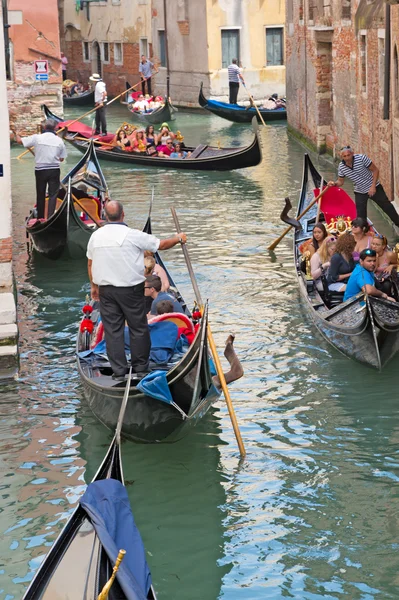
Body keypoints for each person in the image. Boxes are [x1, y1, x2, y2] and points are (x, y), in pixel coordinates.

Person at [87, 200, 187, 379]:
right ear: (123, 215)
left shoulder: (96, 236)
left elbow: (90, 263)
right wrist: (178, 238)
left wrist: (94, 287)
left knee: (113, 330)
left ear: (105, 217)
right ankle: (140, 369)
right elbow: (161, 245)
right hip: (131, 291)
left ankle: (119, 372)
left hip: (106, 291)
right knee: (138, 328)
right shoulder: (133, 235)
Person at [328, 147, 399, 231]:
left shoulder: (362, 158)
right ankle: (364, 233)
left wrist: (373, 187)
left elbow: (375, 170)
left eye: (348, 155)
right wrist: (334, 184)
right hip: (360, 190)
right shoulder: (341, 167)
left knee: (387, 207)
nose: (347, 158)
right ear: (342, 157)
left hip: (374, 187)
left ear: (352, 153)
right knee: (360, 216)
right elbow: (340, 181)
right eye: (345, 156)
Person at [12, 119, 67, 220]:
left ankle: (40, 218)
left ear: (45, 127)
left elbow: (19, 141)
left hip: (40, 170)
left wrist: (17, 134)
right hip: (54, 170)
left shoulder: (37, 138)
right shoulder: (59, 141)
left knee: (40, 193)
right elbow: (62, 158)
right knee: (53, 195)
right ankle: (50, 217)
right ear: (55, 128)